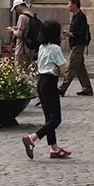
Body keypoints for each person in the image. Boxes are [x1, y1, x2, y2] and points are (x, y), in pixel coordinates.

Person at [24, 20, 70, 159]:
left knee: (48, 117)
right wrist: (61, 68)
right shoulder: (55, 48)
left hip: (41, 81)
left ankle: (54, 148)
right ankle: (32, 138)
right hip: (50, 82)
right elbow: (63, 70)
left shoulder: (42, 47)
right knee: (56, 119)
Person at [60, 0, 94, 96]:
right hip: (75, 44)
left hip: (78, 45)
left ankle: (62, 88)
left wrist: (70, 34)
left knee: (71, 67)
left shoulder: (81, 17)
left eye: (69, 4)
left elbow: (81, 33)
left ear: (75, 5)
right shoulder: (75, 16)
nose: (68, 6)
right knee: (80, 68)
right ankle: (87, 88)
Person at [12, 0, 40, 71]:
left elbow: (19, 34)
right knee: (28, 72)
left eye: (15, 8)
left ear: (18, 6)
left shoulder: (22, 17)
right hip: (31, 48)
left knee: (20, 71)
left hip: (22, 49)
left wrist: (12, 30)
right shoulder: (32, 15)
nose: (16, 11)